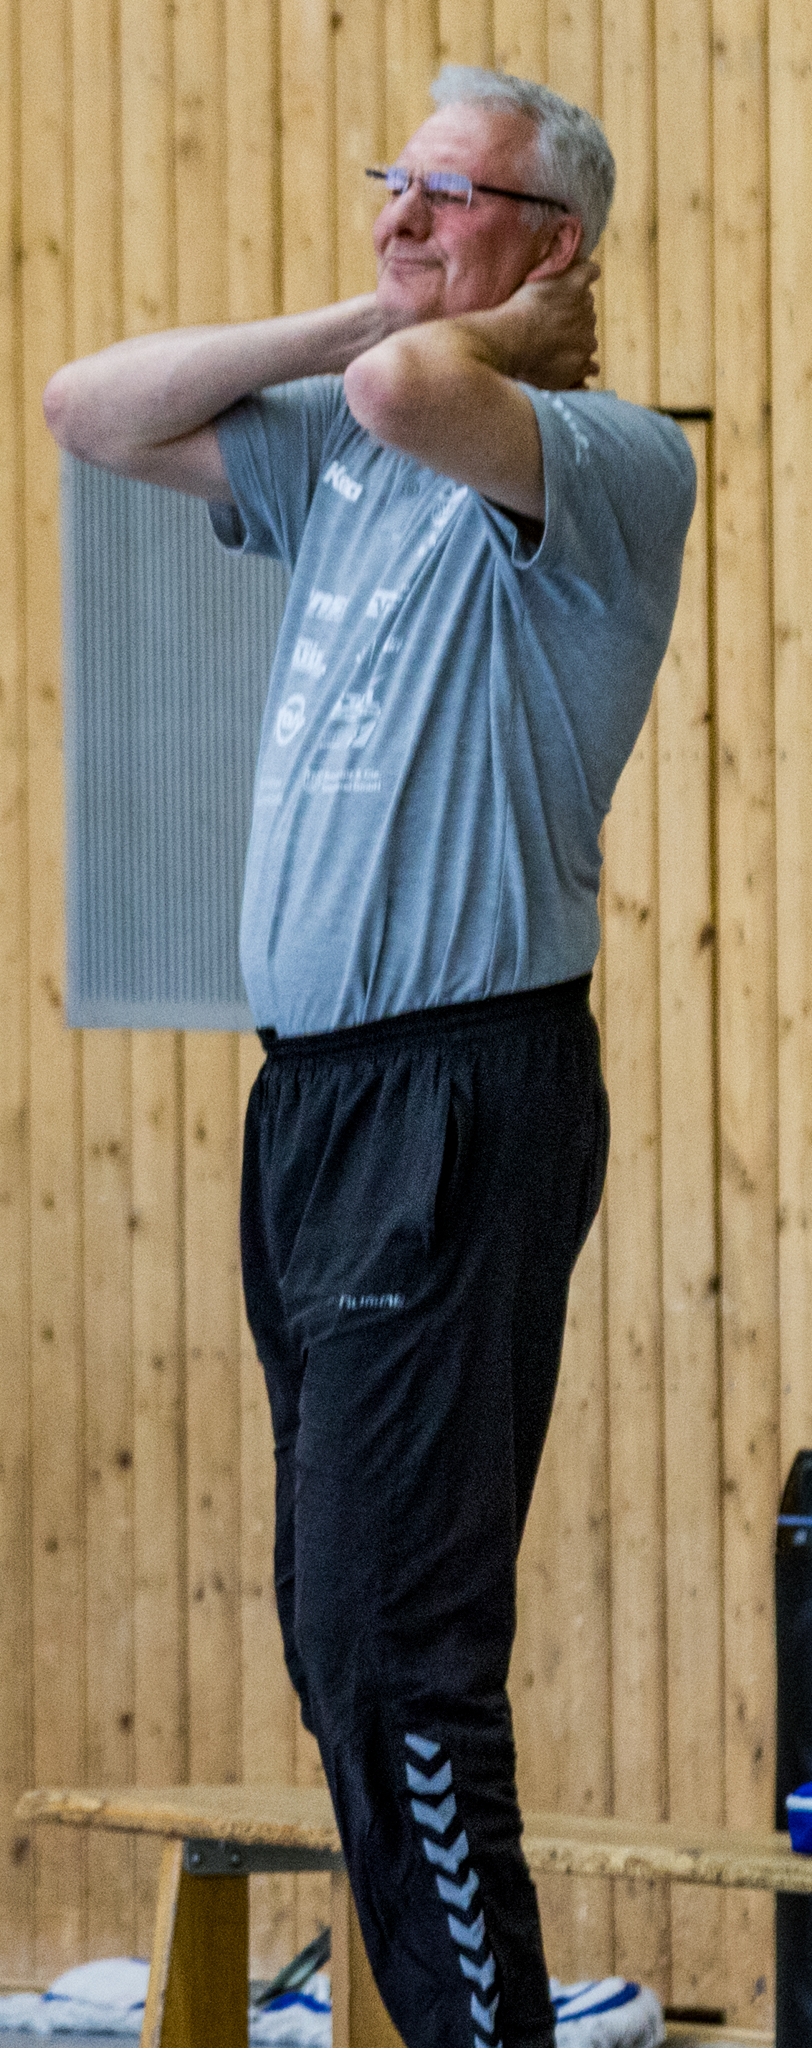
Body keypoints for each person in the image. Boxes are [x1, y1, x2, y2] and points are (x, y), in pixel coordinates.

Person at [44, 65, 696, 2048]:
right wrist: (377, 298)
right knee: (339, 1637)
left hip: (460, 1085)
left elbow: (419, 389)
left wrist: (423, 332)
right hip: (315, 1103)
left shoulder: (600, 456)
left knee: (396, 1645)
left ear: (553, 245)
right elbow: (87, 408)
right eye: (387, 181)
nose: (398, 215)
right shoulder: (347, 438)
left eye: (447, 193)